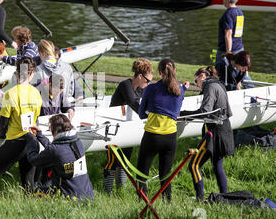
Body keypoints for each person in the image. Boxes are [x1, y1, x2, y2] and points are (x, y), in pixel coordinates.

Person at [0, 56, 42, 196]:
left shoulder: (10, 94)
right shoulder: (36, 93)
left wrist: (2, 135)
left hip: (15, 143)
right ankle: (30, 211)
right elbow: (35, 118)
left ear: (17, 72)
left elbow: (3, 122)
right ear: (31, 73)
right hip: (32, 141)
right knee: (28, 183)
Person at [136, 59, 189, 201]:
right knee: (165, 174)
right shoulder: (180, 90)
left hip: (152, 136)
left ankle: (143, 202)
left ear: (159, 72)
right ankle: (167, 202)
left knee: (141, 172)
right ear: (175, 71)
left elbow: (141, 114)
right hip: (170, 137)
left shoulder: (151, 89)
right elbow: (179, 94)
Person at [180, 66, 234, 201]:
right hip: (225, 129)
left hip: (214, 132)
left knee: (194, 165)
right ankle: (224, 197)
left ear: (202, 76)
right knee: (217, 166)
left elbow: (205, 111)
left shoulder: (209, 87)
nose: (196, 84)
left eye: (195, 80)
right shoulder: (219, 85)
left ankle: (199, 199)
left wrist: (183, 114)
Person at [103, 58, 153, 194]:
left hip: (128, 127)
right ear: (140, 76)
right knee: (113, 160)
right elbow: (134, 103)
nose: (148, 84)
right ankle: (107, 192)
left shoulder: (142, 89)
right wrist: (150, 117)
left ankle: (121, 191)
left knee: (125, 160)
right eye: (147, 81)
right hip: (114, 127)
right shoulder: (126, 85)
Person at [25, 114, 94, 200]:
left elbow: (33, 160)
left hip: (69, 197)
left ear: (55, 130)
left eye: (50, 128)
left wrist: (31, 139)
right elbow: (58, 150)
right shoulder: (77, 142)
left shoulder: (55, 150)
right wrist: (40, 135)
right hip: (88, 195)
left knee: (35, 193)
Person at [31, 39, 76, 106]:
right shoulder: (67, 67)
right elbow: (70, 91)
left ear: (41, 54)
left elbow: (32, 95)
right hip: (65, 109)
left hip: (45, 111)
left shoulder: (37, 70)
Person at [216, 0, 245, 64]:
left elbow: (228, 34)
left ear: (228, 0)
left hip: (227, 50)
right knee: (240, 73)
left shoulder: (228, 14)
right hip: (239, 48)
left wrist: (228, 52)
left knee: (220, 72)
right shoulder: (240, 12)